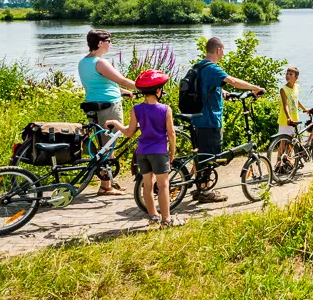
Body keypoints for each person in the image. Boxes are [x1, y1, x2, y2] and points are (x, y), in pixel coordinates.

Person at [190, 37, 266, 202]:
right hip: (210, 119)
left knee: (202, 155)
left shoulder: (199, 66)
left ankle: (200, 187)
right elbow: (232, 81)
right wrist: (255, 87)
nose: (223, 53)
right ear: (218, 50)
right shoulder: (212, 68)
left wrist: (223, 93)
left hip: (198, 118)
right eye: (223, 50)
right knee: (210, 157)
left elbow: (205, 88)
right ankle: (206, 192)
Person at [107, 70, 180, 227]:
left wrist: (116, 123)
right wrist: (173, 151)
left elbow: (129, 132)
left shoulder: (136, 109)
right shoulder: (166, 109)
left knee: (147, 185)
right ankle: (166, 219)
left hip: (142, 152)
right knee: (163, 185)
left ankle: (153, 216)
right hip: (159, 152)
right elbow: (171, 133)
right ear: (158, 90)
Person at [78, 29, 136, 195]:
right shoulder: (100, 62)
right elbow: (122, 80)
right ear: (100, 43)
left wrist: (121, 91)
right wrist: (147, 88)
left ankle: (109, 179)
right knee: (109, 145)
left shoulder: (83, 62)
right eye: (108, 41)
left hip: (92, 105)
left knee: (103, 144)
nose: (110, 44)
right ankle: (105, 186)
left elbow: (99, 83)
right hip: (108, 106)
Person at [276, 66, 309, 174]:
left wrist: (304, 109)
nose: (288, 76)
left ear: (296, 77)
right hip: (285, 119)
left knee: (291, 143)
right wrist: (288, 117)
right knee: (283, 143)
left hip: (294, 118)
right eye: (287, 73)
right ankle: (278, 164)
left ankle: (287, 163)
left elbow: (296, 100)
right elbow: (285, 105)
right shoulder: (283, 89)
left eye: (291, 74)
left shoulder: (297, 87)